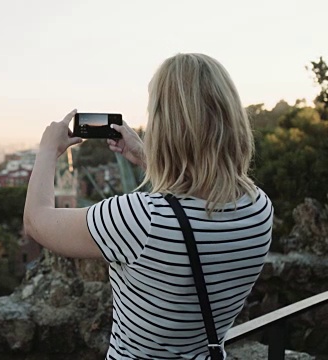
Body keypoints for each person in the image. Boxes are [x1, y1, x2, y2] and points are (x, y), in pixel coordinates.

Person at [23, 53, 273, 359]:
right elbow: (193, 196)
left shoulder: (140, 219)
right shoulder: (259, 209)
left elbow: (36, 221)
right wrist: (145, 155)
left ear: (163, 126)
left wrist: (48, 149)